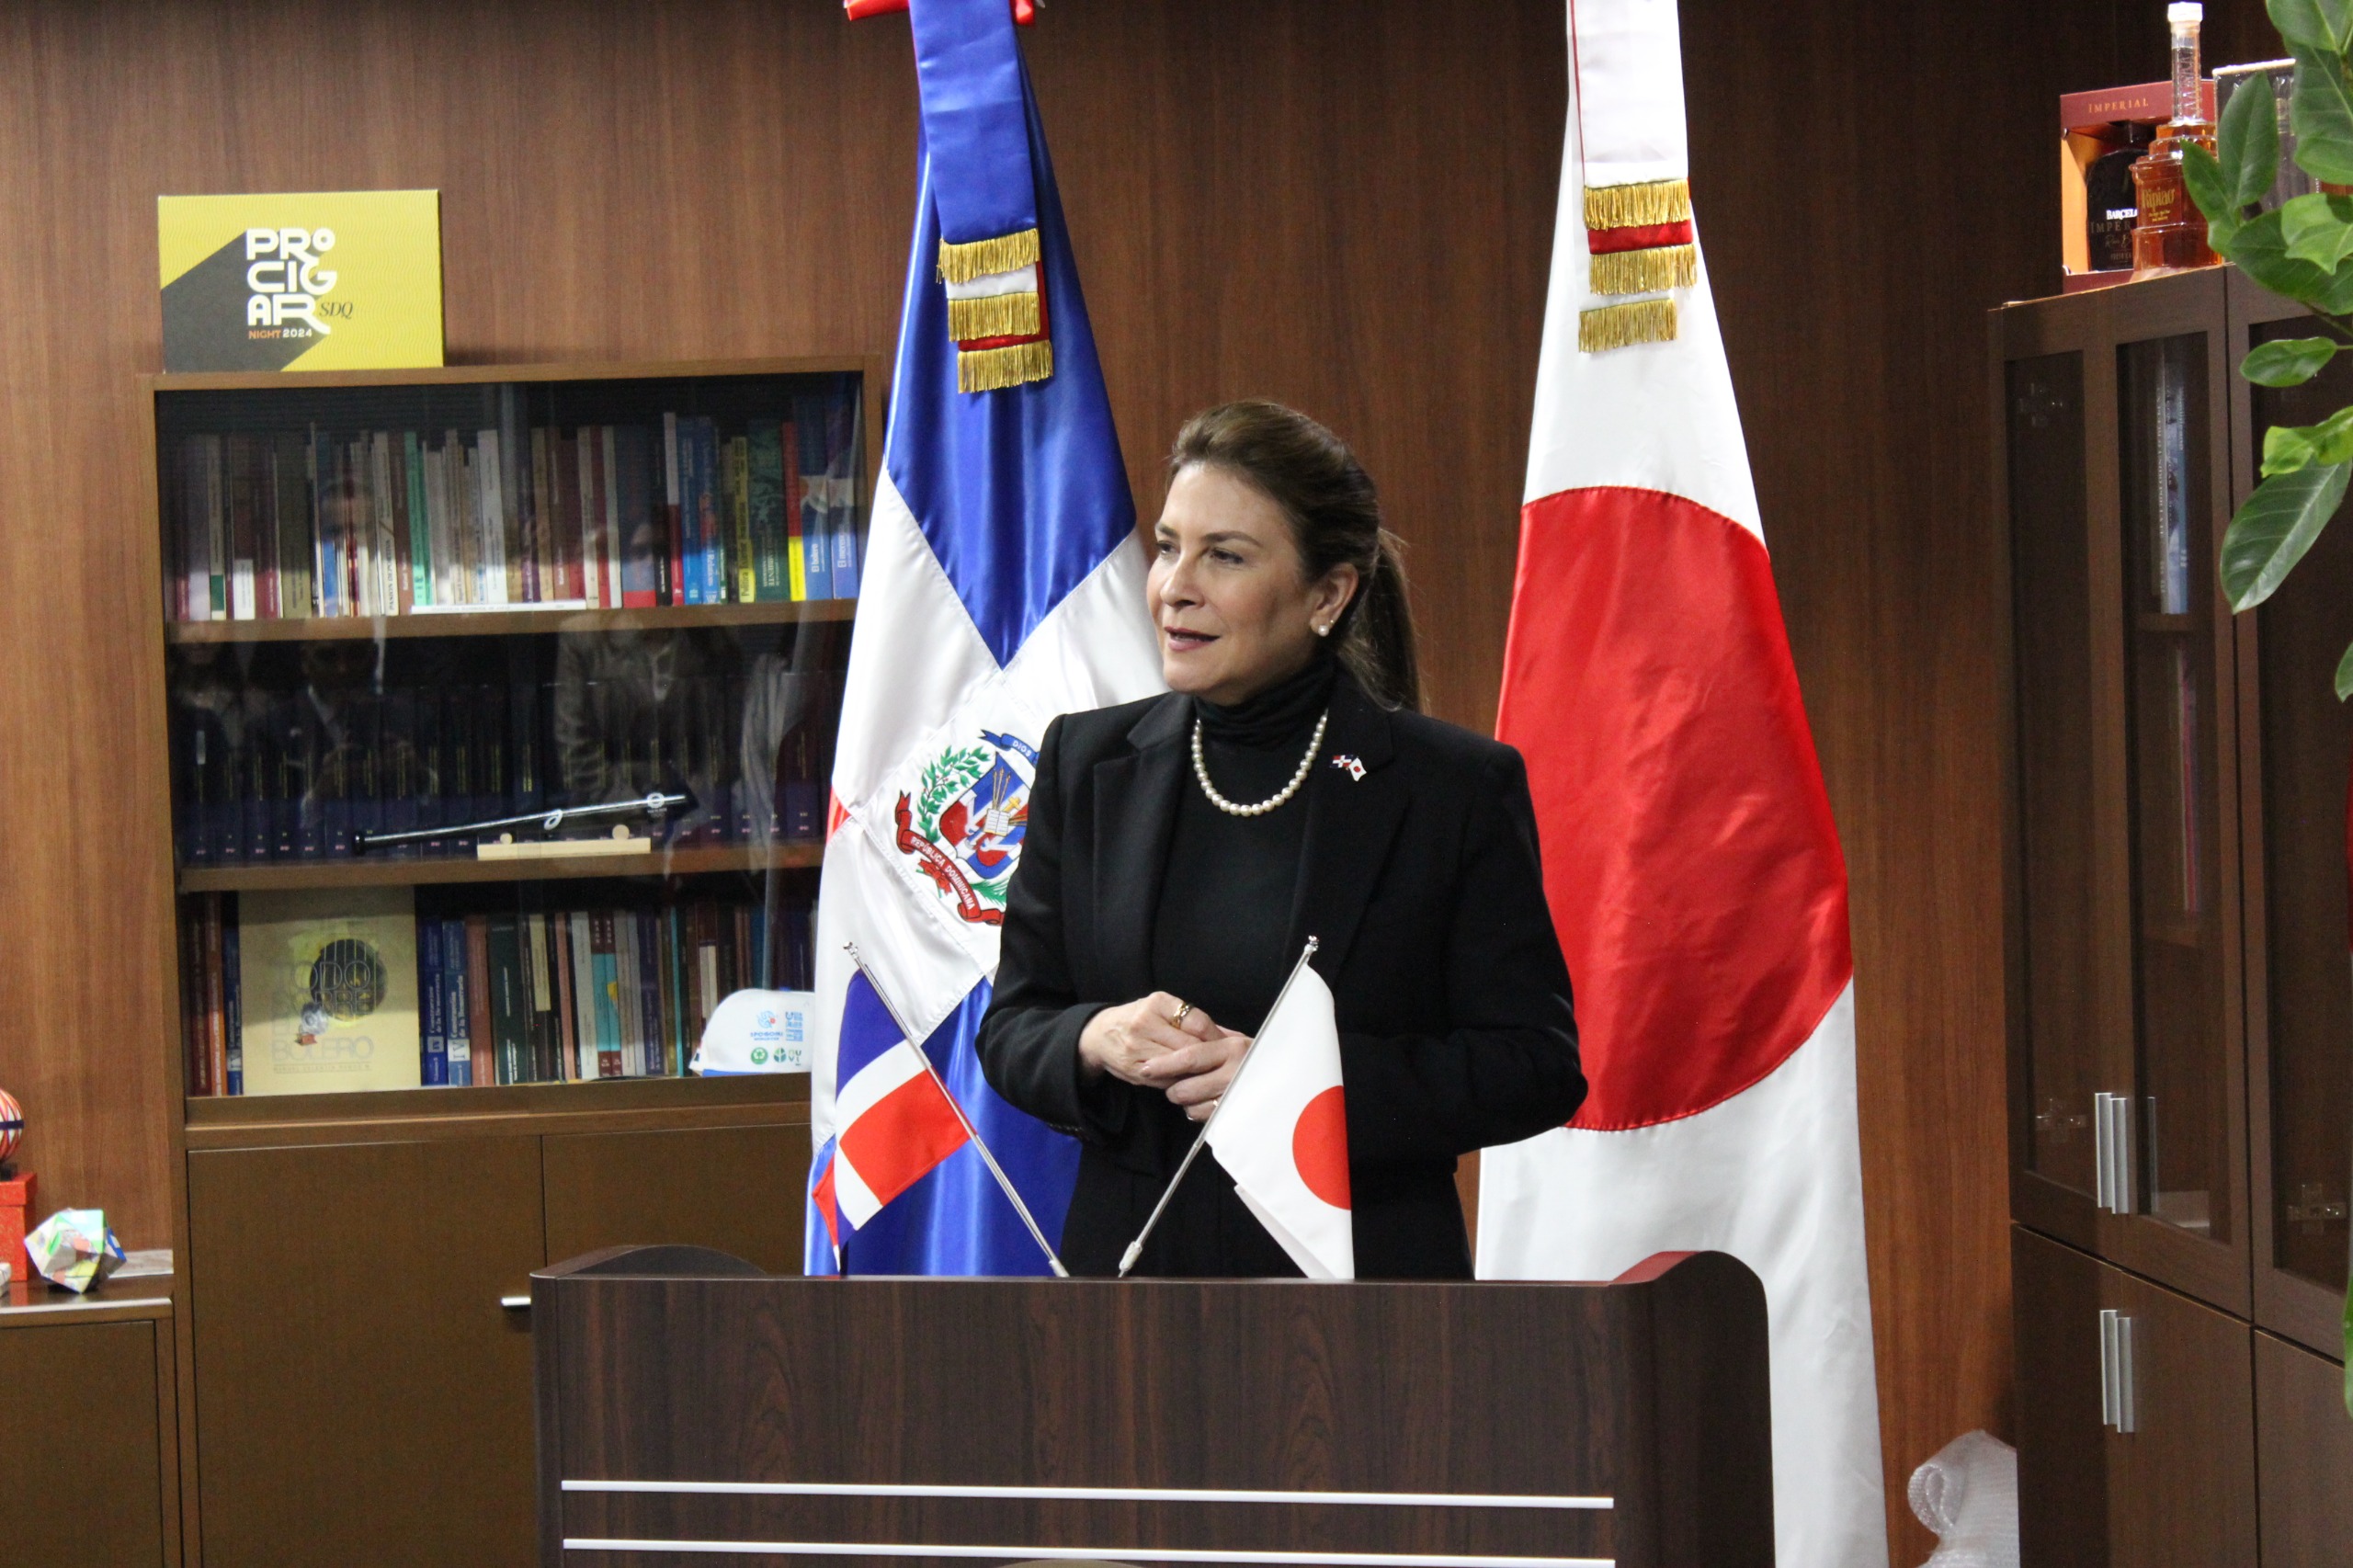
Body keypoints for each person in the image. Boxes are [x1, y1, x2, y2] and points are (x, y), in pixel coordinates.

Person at [976, 400, 1584, 1279]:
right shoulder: (1087, 760)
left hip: (1367, 1297)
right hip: (1131, 1296)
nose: (1174, 586)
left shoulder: (1450, 787)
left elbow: (1535, 1065)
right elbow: (1013, 1028)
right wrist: (1097, 1034)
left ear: (1328, 595)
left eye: (1224, 556)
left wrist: (1309, 1087)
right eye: (1171, 544)